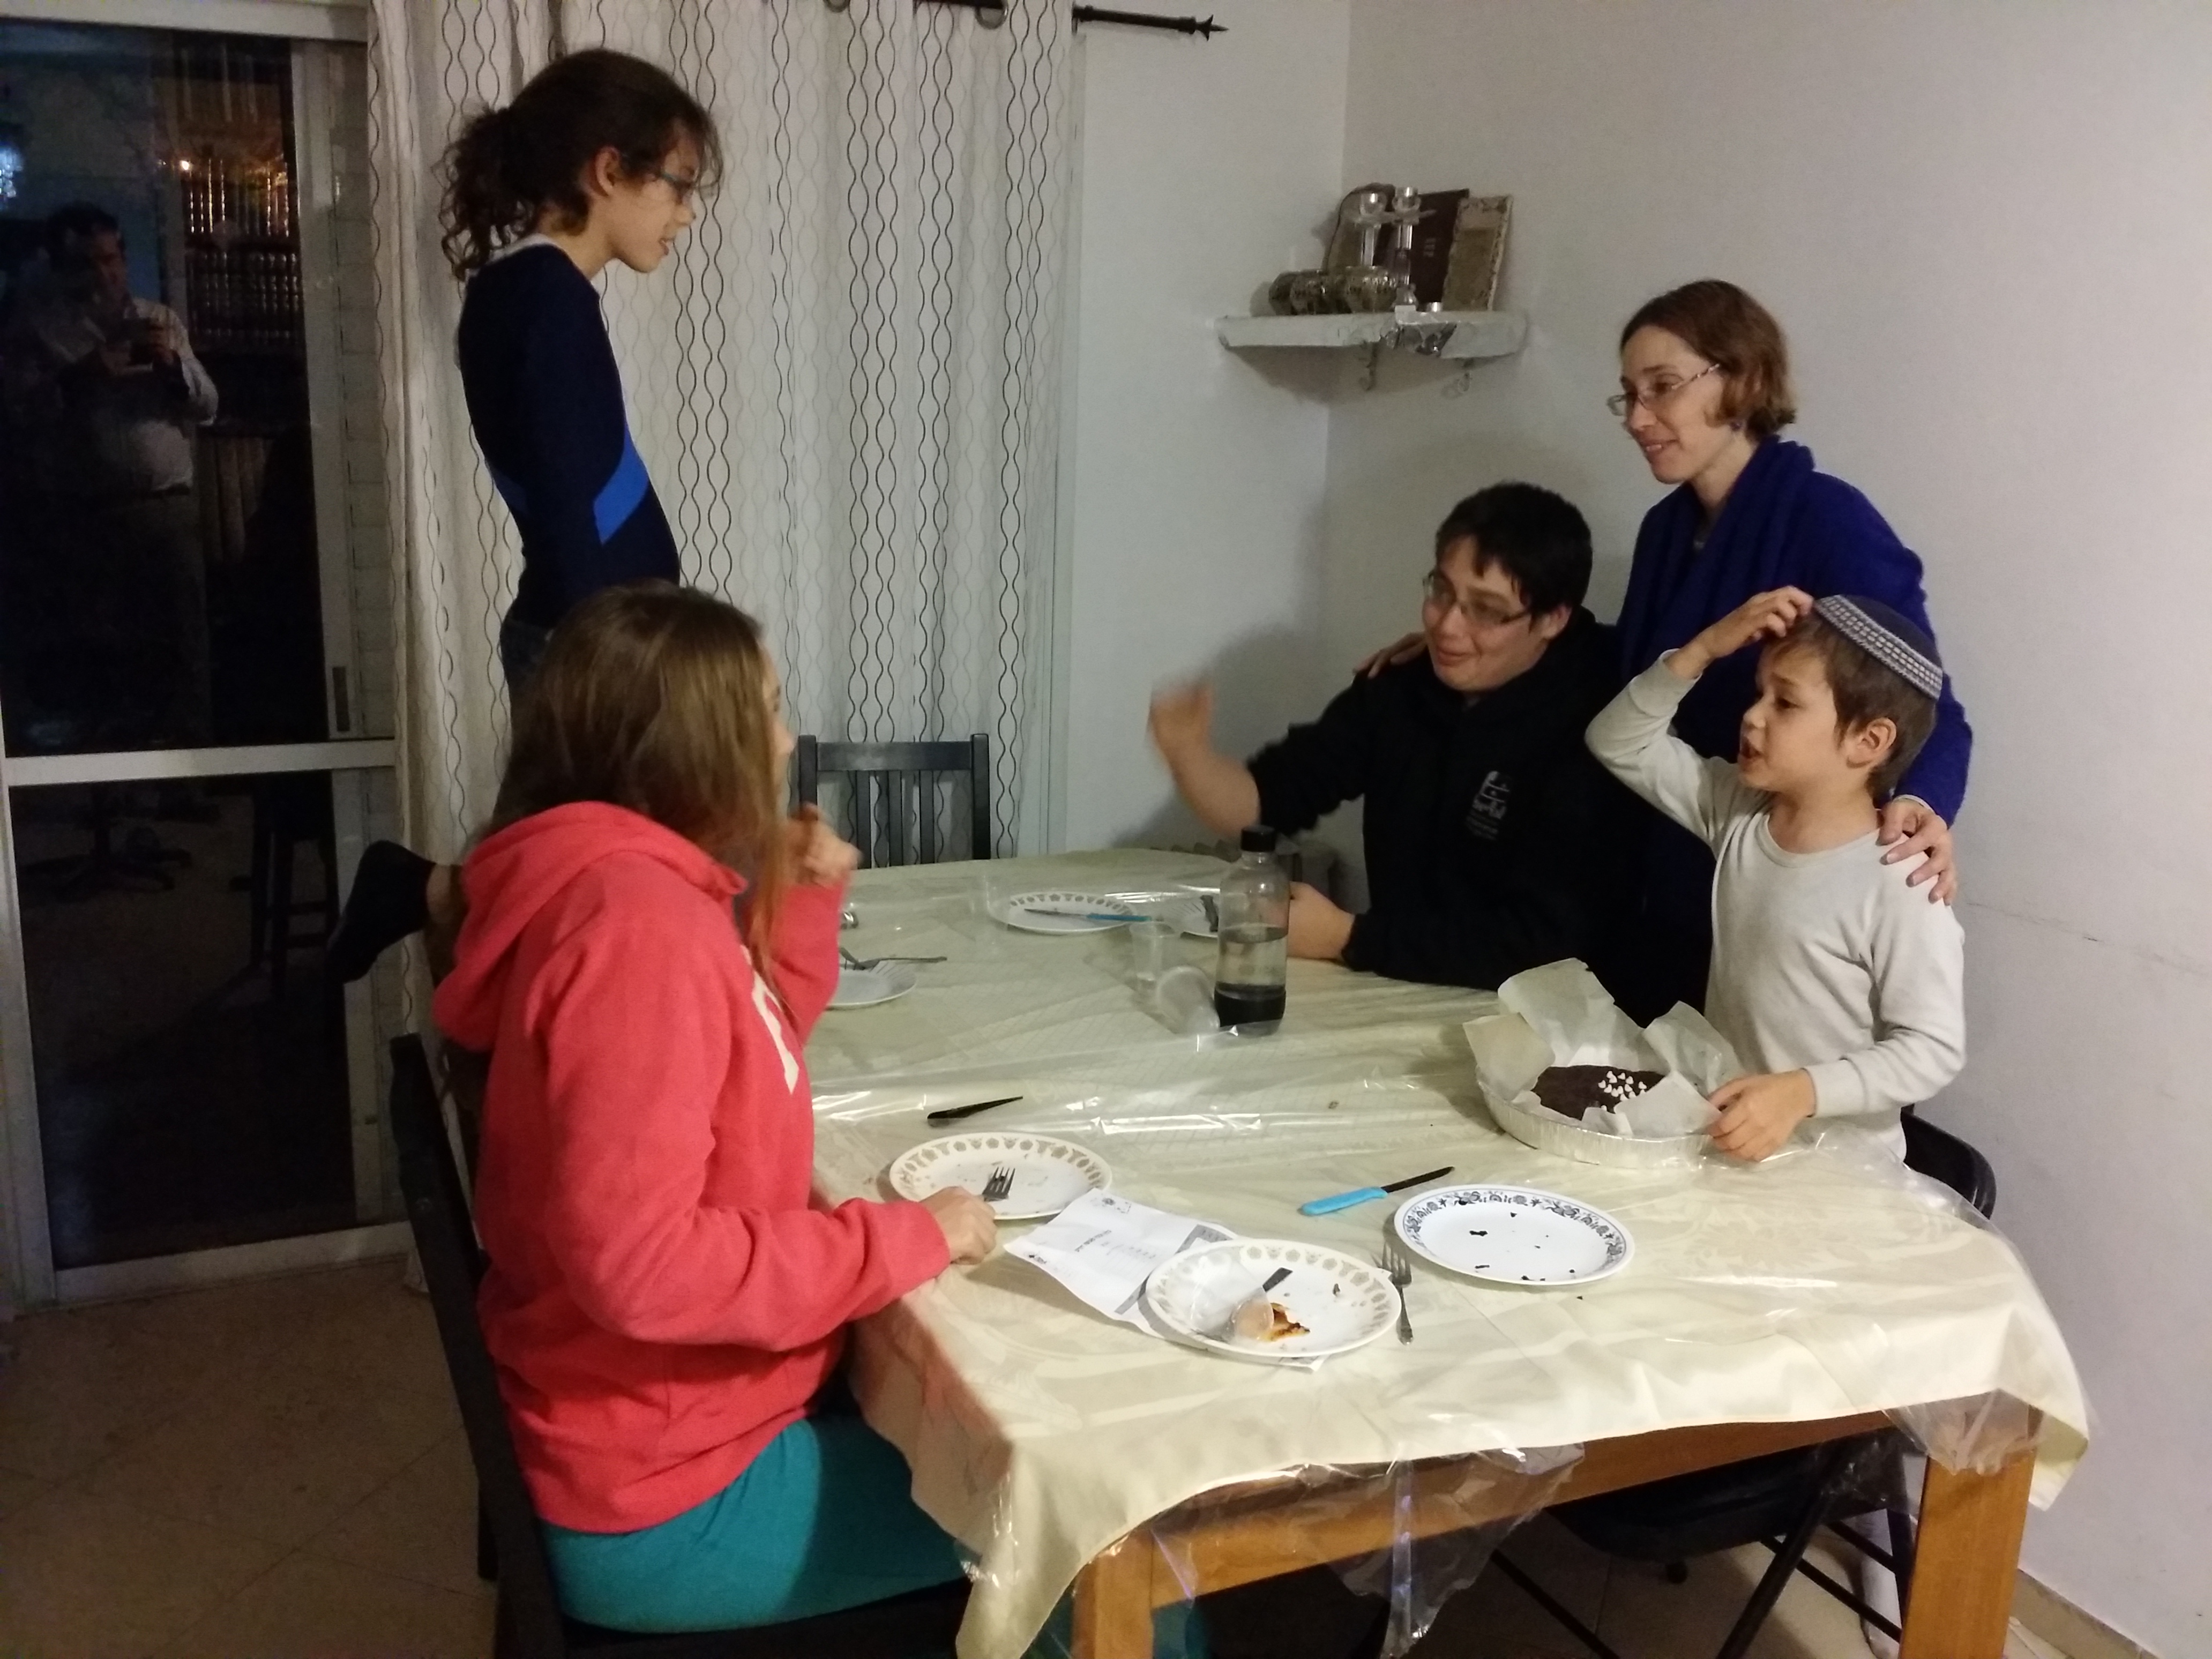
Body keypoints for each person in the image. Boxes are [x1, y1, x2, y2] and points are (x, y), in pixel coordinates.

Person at [430, 580, 998, 1631]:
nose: (786, 742)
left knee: (956, 1415)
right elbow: (643, 1266)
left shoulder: (610, 883)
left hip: (646, 1421)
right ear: (691, 748)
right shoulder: (639, 929)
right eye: (769, 711)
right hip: (668, 1494)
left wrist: (801, 898)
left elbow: (745, 1050)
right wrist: (901, 1240)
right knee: (1088, 1538)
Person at [1363, 281, 1970, 1019]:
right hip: (1653, 878)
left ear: (1743, 380)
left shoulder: (1826, 519)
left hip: (1766, 888)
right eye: (1629, 394)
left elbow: (1926, 702)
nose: (1639, 418)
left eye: (1663, 388)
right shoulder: (1665, 530)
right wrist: (1480, 638)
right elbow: (1631, 665)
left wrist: (1919, 807)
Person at [330, 48, 717, 983]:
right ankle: (425, 898)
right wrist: (611, 661)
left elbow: (571, 483)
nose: (685, 213)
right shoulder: (545, 300)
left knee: (590, 868)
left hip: (589, 629)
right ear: (609, 170)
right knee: (608, 878)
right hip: (590, 640)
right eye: (677, 185)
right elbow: (566, 505)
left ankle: (416, 890)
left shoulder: (528, 293)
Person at [1148, 483, 1635, 988]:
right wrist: (1187, 753)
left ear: (1553, 619)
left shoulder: (1598, 722)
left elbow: (1547, 944)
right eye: (1441, 592)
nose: (1447, 626)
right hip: (1400, 984)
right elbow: (1265, 802)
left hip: (1543, 1012)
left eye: (1486, 610)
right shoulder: (1402, 684)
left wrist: (1346, 937)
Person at [1584, 587, 1965, 1164]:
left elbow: (1933, 1049)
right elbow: (1616, 740)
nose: (1753, 716)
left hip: (1842, 1178)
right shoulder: (1738, 812)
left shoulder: (1901, 878)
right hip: (1735, 1151)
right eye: (1758, 693)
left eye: (1785, 703)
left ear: (1869, 741)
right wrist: (1704, 648)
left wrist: (1802, 1092)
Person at [0, 202, 219, 751]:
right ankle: (113, 775)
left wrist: (174, 370)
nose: (105, 274)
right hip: (84, 516)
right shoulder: (37, 330)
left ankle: (186, 769)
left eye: (112, 259)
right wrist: (78, 380)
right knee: (105, 651)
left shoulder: (157, 318)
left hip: (166, 509)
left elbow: (208, 406)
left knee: (181, 646)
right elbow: (17, 416)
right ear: (60, 268)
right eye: (87, 263)